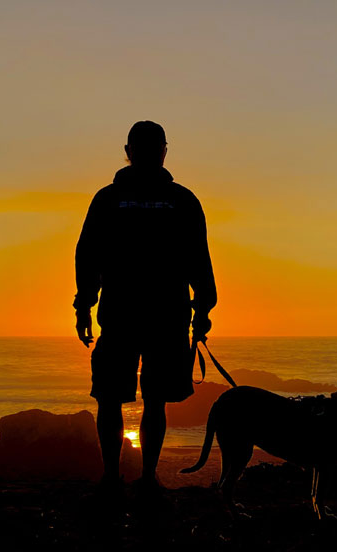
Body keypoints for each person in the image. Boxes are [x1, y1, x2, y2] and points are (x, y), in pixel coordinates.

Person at [74, 120, 217, 495]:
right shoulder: (182, 200)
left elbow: (87, 256)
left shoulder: (108, 198)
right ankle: (140, 477)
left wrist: (84, 305)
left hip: (128, 315)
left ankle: (120, 477)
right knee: (146, 400)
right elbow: (199, 262)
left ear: (131, 150)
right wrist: (203, 311)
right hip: (162, 316)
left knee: (118, 398)